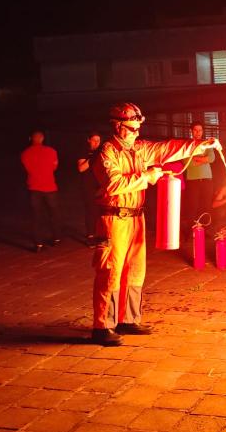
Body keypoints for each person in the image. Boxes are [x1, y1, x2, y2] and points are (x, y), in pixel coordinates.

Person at [92, 102, 218, 346]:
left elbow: (165, 149)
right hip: (113, 218)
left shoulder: (139, 148)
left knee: (136, 270)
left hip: (136, 217)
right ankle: (103, 325)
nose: (136, 132)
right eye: (131, 128)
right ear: (118, 126)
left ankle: (127, 319)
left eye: (138, 128)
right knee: (111, 272)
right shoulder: (107, 153)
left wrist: (200, 144)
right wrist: (147, 177)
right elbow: (113, 185)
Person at [20, 130, 60, 253]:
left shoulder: (25, 153)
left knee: (37, 216)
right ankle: (56, 238)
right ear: (42, 138)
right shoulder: (51, 151)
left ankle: (38, 243)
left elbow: (26, 169)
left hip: (34, 188)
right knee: (53, 214)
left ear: (31, 139)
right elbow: (54, 167)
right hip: (50, 187)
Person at [183, 121, 215, 229]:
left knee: (206, 205)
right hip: (193, 180)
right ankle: (191, 230)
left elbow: (211, 158)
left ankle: (205, 229)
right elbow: (187, 162)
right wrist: (203, 159)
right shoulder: (187, 145)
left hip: (207, 179)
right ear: (191, 131)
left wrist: (196, 158)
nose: (198, 133)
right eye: (196, 130)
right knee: (193, 206)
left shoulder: (207, 144)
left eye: (200, 130)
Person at [77, 131, 102, 246]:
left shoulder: (101, 152)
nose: (97, 143)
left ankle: (101, 234)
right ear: (88, 140)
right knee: (91, 211)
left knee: (101, 210)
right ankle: (90, 236)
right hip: (88, 186)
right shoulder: (83, 152)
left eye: (98, 140)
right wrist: (92, 158)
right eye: (94, 140)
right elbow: (81, 168)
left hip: (100, 185)